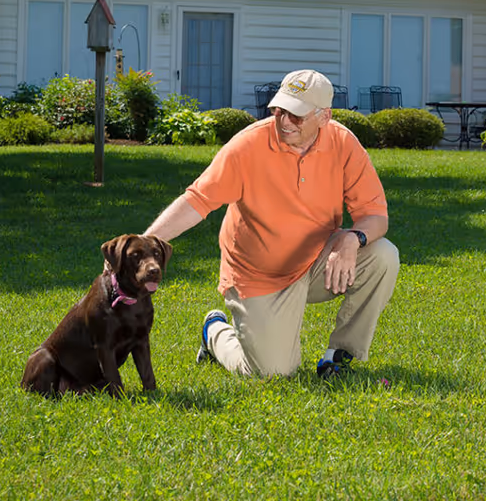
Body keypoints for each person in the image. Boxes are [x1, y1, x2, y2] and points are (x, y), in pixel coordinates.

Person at [144, 69, 399, 378]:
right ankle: (215, 332)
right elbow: (197, 201)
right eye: (280, 110)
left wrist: (352, 238)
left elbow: (376, 216)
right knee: (271, 372)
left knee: (383, 255)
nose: (284, 121)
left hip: (318, 262)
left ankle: (338, 355)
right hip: (258, 275)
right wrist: (144, 243)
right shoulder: (248, 146)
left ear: (325, 116)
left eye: (297, 115)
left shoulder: (344, 143)